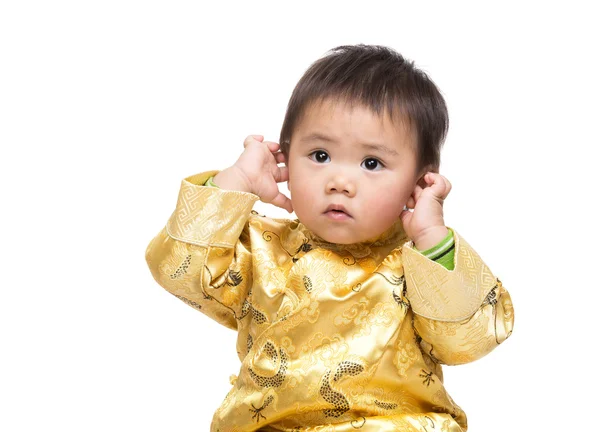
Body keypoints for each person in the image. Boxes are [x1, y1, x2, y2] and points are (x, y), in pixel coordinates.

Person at [145, 44, 514, 432]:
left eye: (371, 163)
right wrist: (237, 182)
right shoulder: (260, 248)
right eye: (319, 155)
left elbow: (469, 339)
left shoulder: (419, 265)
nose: (340, 182)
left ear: (418, 183)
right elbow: (177, 268)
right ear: (285, 156)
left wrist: (431, 236)